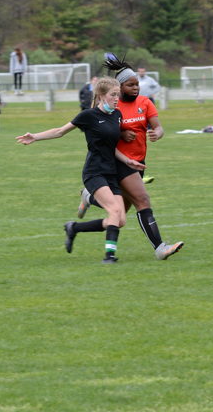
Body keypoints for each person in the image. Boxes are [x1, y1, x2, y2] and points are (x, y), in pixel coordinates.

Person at [16, 77, 143, 264]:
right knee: (115, 210)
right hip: (94, 172)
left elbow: (111, 147)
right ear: (101, 95)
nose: (117, 99)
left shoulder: (117, 115)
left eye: (118, 95)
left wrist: (128, 161)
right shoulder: (88, 115)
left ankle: (74, 227)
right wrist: (35, 136)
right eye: (113, 95)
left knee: (119, 220)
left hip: (111, 172)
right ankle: (109, 256)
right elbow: (60, 131)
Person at [77, 53, 183, 261]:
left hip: (138, 162)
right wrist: (122, 133)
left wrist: (157, 134)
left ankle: (81, 212)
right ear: (120, 87)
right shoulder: (113, 105)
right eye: (130, 85)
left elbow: (159, 127)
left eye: (137, 85)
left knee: (119, 216)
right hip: (119, 161)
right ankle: (160, 248)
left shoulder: (145, 102)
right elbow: (100, 129)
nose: (135, 88)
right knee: (142, 199)